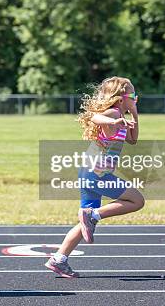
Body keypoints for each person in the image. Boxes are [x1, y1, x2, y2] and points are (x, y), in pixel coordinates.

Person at [45, 76, 144, 278]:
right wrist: (113, 119)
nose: (136, 98)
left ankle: (59, 259)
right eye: (133, 95)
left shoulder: (123, 115)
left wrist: (134, 112)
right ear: (120, 98)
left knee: (86, 221)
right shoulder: (114, 112)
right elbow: (94, 117)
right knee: (137, 200)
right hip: (96, 173)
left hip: (90, 172)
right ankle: (93, 215)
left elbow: (133, 139)